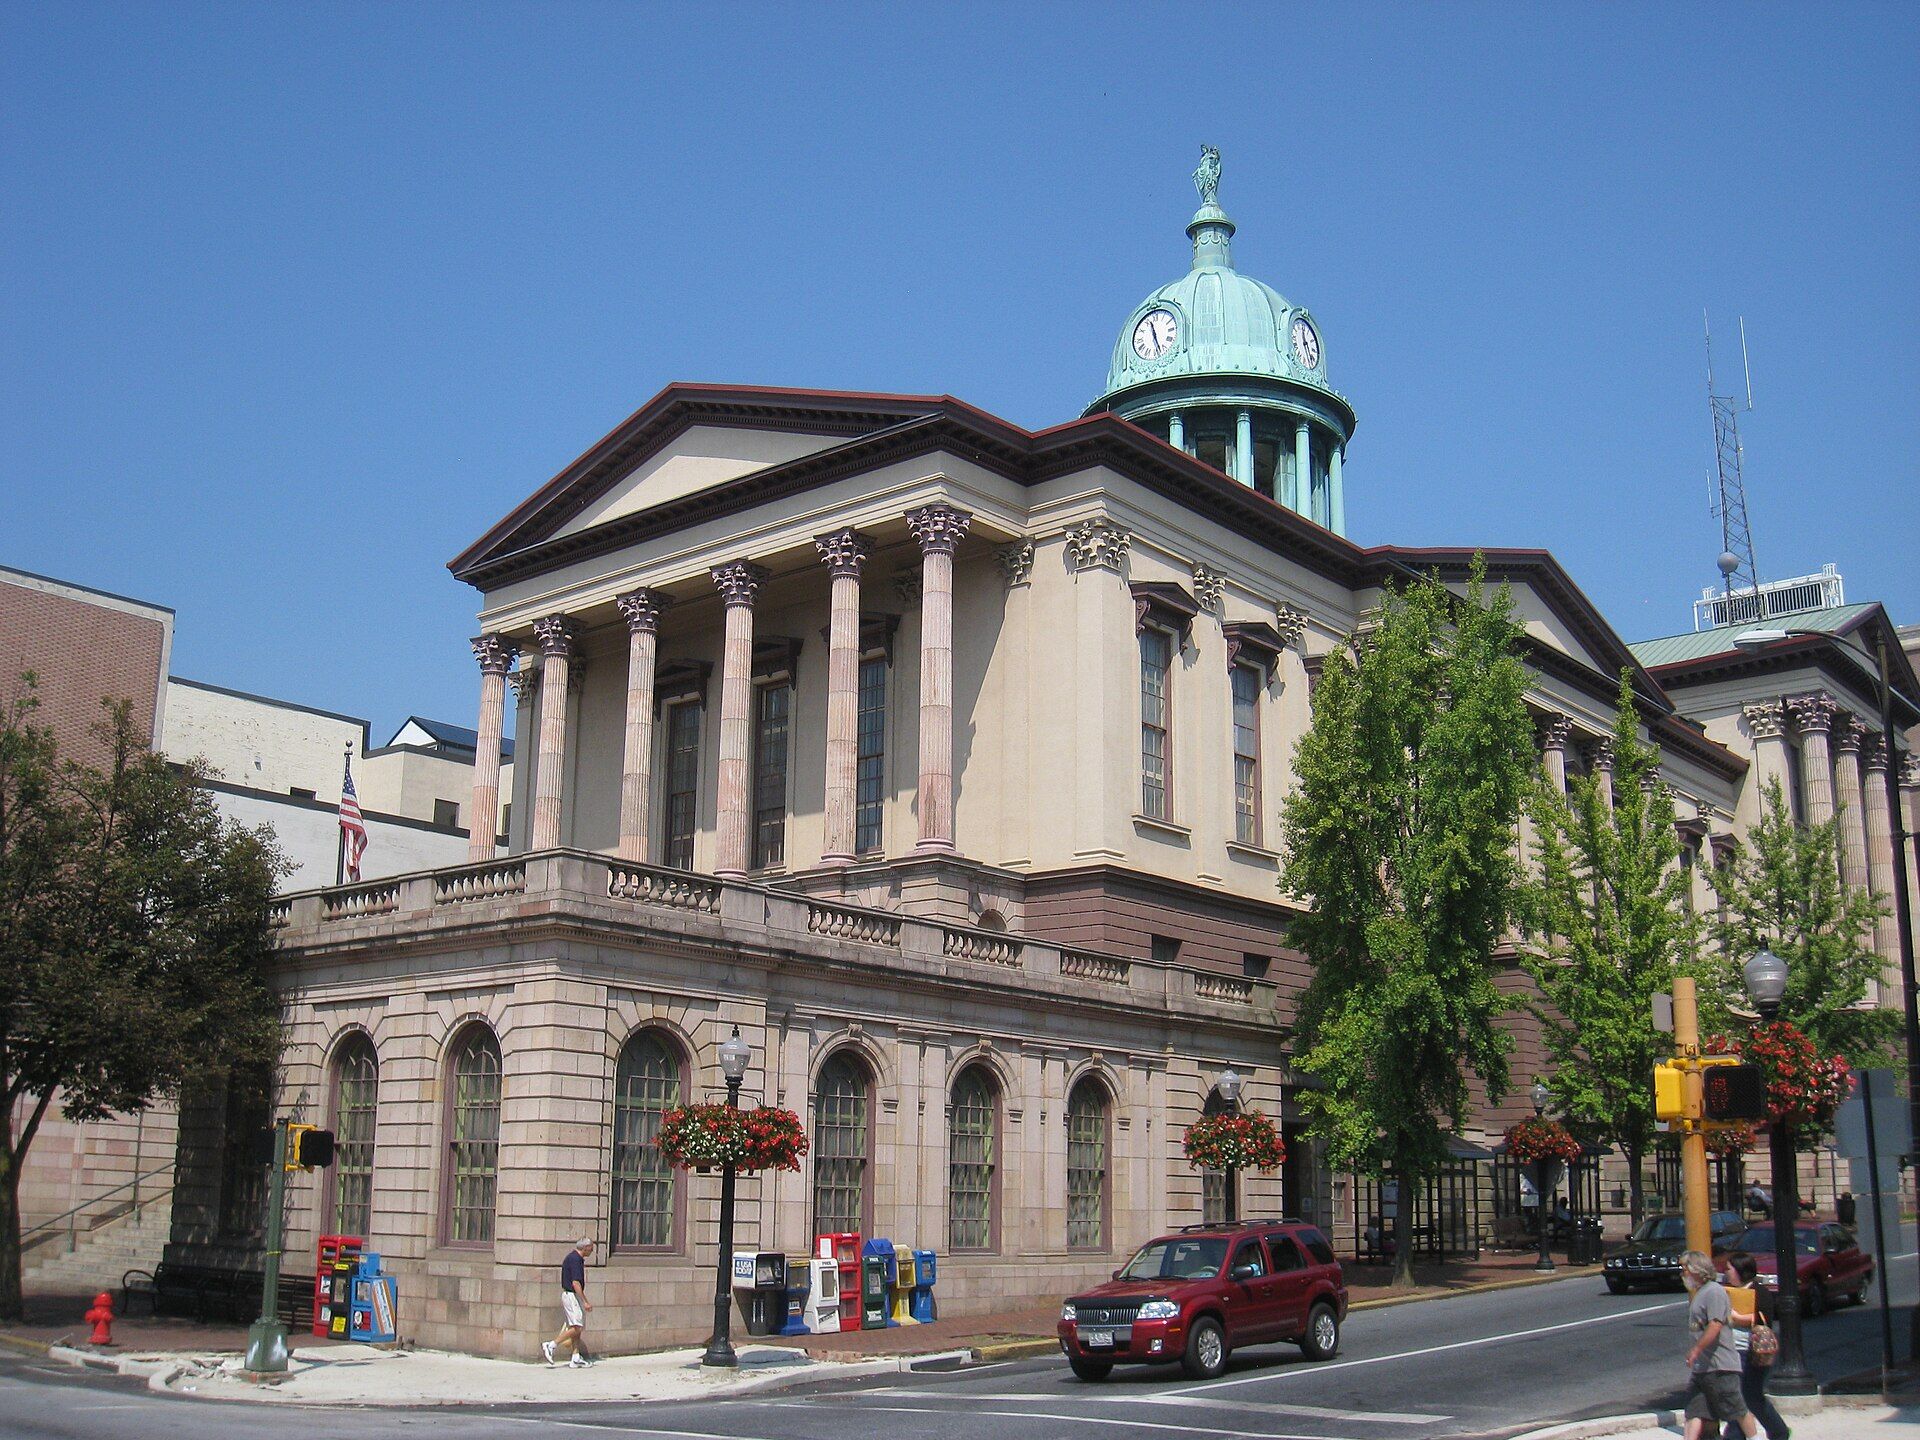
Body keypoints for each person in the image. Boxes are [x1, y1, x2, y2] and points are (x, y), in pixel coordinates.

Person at [1679, 1249, 1757, 1440]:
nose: (1683, 1273)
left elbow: (1715, 1324)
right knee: (1694, 1411)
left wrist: (1697, 1349)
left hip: (1720, 1366)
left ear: (1696, 1269)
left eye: (1685, 1268)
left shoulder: (1714, 1292)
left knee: (1737, 1409)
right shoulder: (1700, 1293)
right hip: (1702, 1368)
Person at [1720, 1251, 1789, 1440]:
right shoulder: (1724, 1290)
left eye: (1729, 1269)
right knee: (1741, 1396)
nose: (1726, 1273)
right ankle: (1771, 1432)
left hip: (1753, 1352)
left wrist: (1736, 1317)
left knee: (1750, 1396)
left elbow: (1763, 1319)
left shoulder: (1760, 1292)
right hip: (1731, 1350)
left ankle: (1776, 1431)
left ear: (1741, 1270)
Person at [542, 1238, 595, 1368]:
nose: (592, 1251)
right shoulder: (575, 1259)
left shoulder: (573, 1258)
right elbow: (575, 1283)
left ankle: (576, 1357)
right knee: (577, 1327)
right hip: (571, 1295)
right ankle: (551, 1345)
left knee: (576, 1327)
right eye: (591, 1248)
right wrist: (585, 1301)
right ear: (585, 1247)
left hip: (571, 1295)